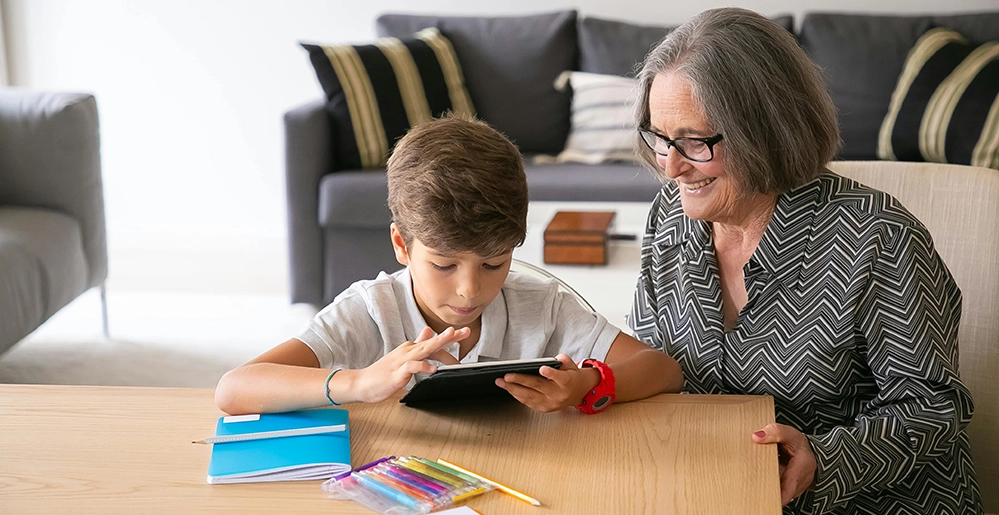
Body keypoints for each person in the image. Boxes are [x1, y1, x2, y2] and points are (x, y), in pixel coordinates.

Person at [629, 7, 982, 514]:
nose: (671, 165)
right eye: (661, 138)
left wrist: (824, 457)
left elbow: (934, 409)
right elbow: (653, 361)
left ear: (764, 129)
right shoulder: (670, 217)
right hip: (719, 492)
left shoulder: (877, 237)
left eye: (694, 142)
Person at [216, 115, 683, 417]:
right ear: (402, 244)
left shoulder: (541, 306)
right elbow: (235, 388)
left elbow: (661, 369)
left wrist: (586, 383)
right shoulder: (371, 310)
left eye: (494, 263)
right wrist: (359, 382)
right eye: (443, 265)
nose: (469, 290)